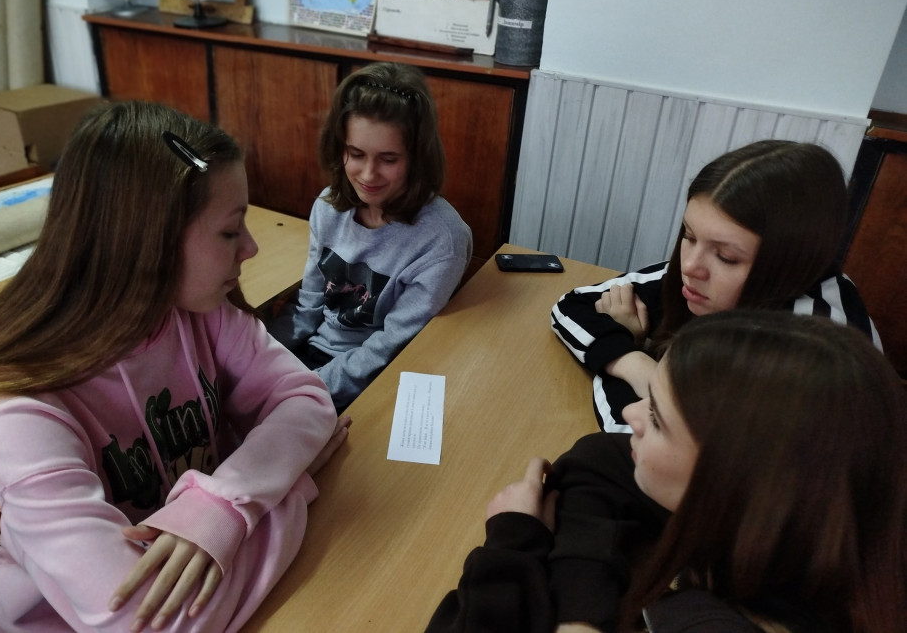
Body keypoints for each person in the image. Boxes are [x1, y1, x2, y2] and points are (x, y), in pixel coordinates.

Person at [0, 101, 350, 632]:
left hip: (223, 590)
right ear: (147, 239)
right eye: (230, 231)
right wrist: (289, 484)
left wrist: (221, 507)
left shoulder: (196, 311)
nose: (250, 247)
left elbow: (306, 399)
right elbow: (145, 621)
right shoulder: (11, 408)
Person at [427, 310, 907, 632]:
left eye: (656, 418)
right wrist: (580, 621)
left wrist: (512, 543)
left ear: (732, 479)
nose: (630, 414)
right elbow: (601, 459)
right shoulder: (810, 530)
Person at [551, 140, 881, 432]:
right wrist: (634, 363)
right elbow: (572, 305)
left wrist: (631, 358)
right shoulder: (701, 276)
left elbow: (646, 441)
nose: (689, 267)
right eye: (689, 236)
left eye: (726, 256)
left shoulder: (808, 355)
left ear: (786, 262)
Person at [271, 62, 472, 412]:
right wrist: (261, 357)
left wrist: (307, 391)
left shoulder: (442, 240)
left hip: (369, 383)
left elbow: (389, 348)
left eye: (388, 159)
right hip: (309, 363)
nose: (367, 174)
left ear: (417, 158)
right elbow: (308, 305)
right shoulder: (328, 206)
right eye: (356, 154)